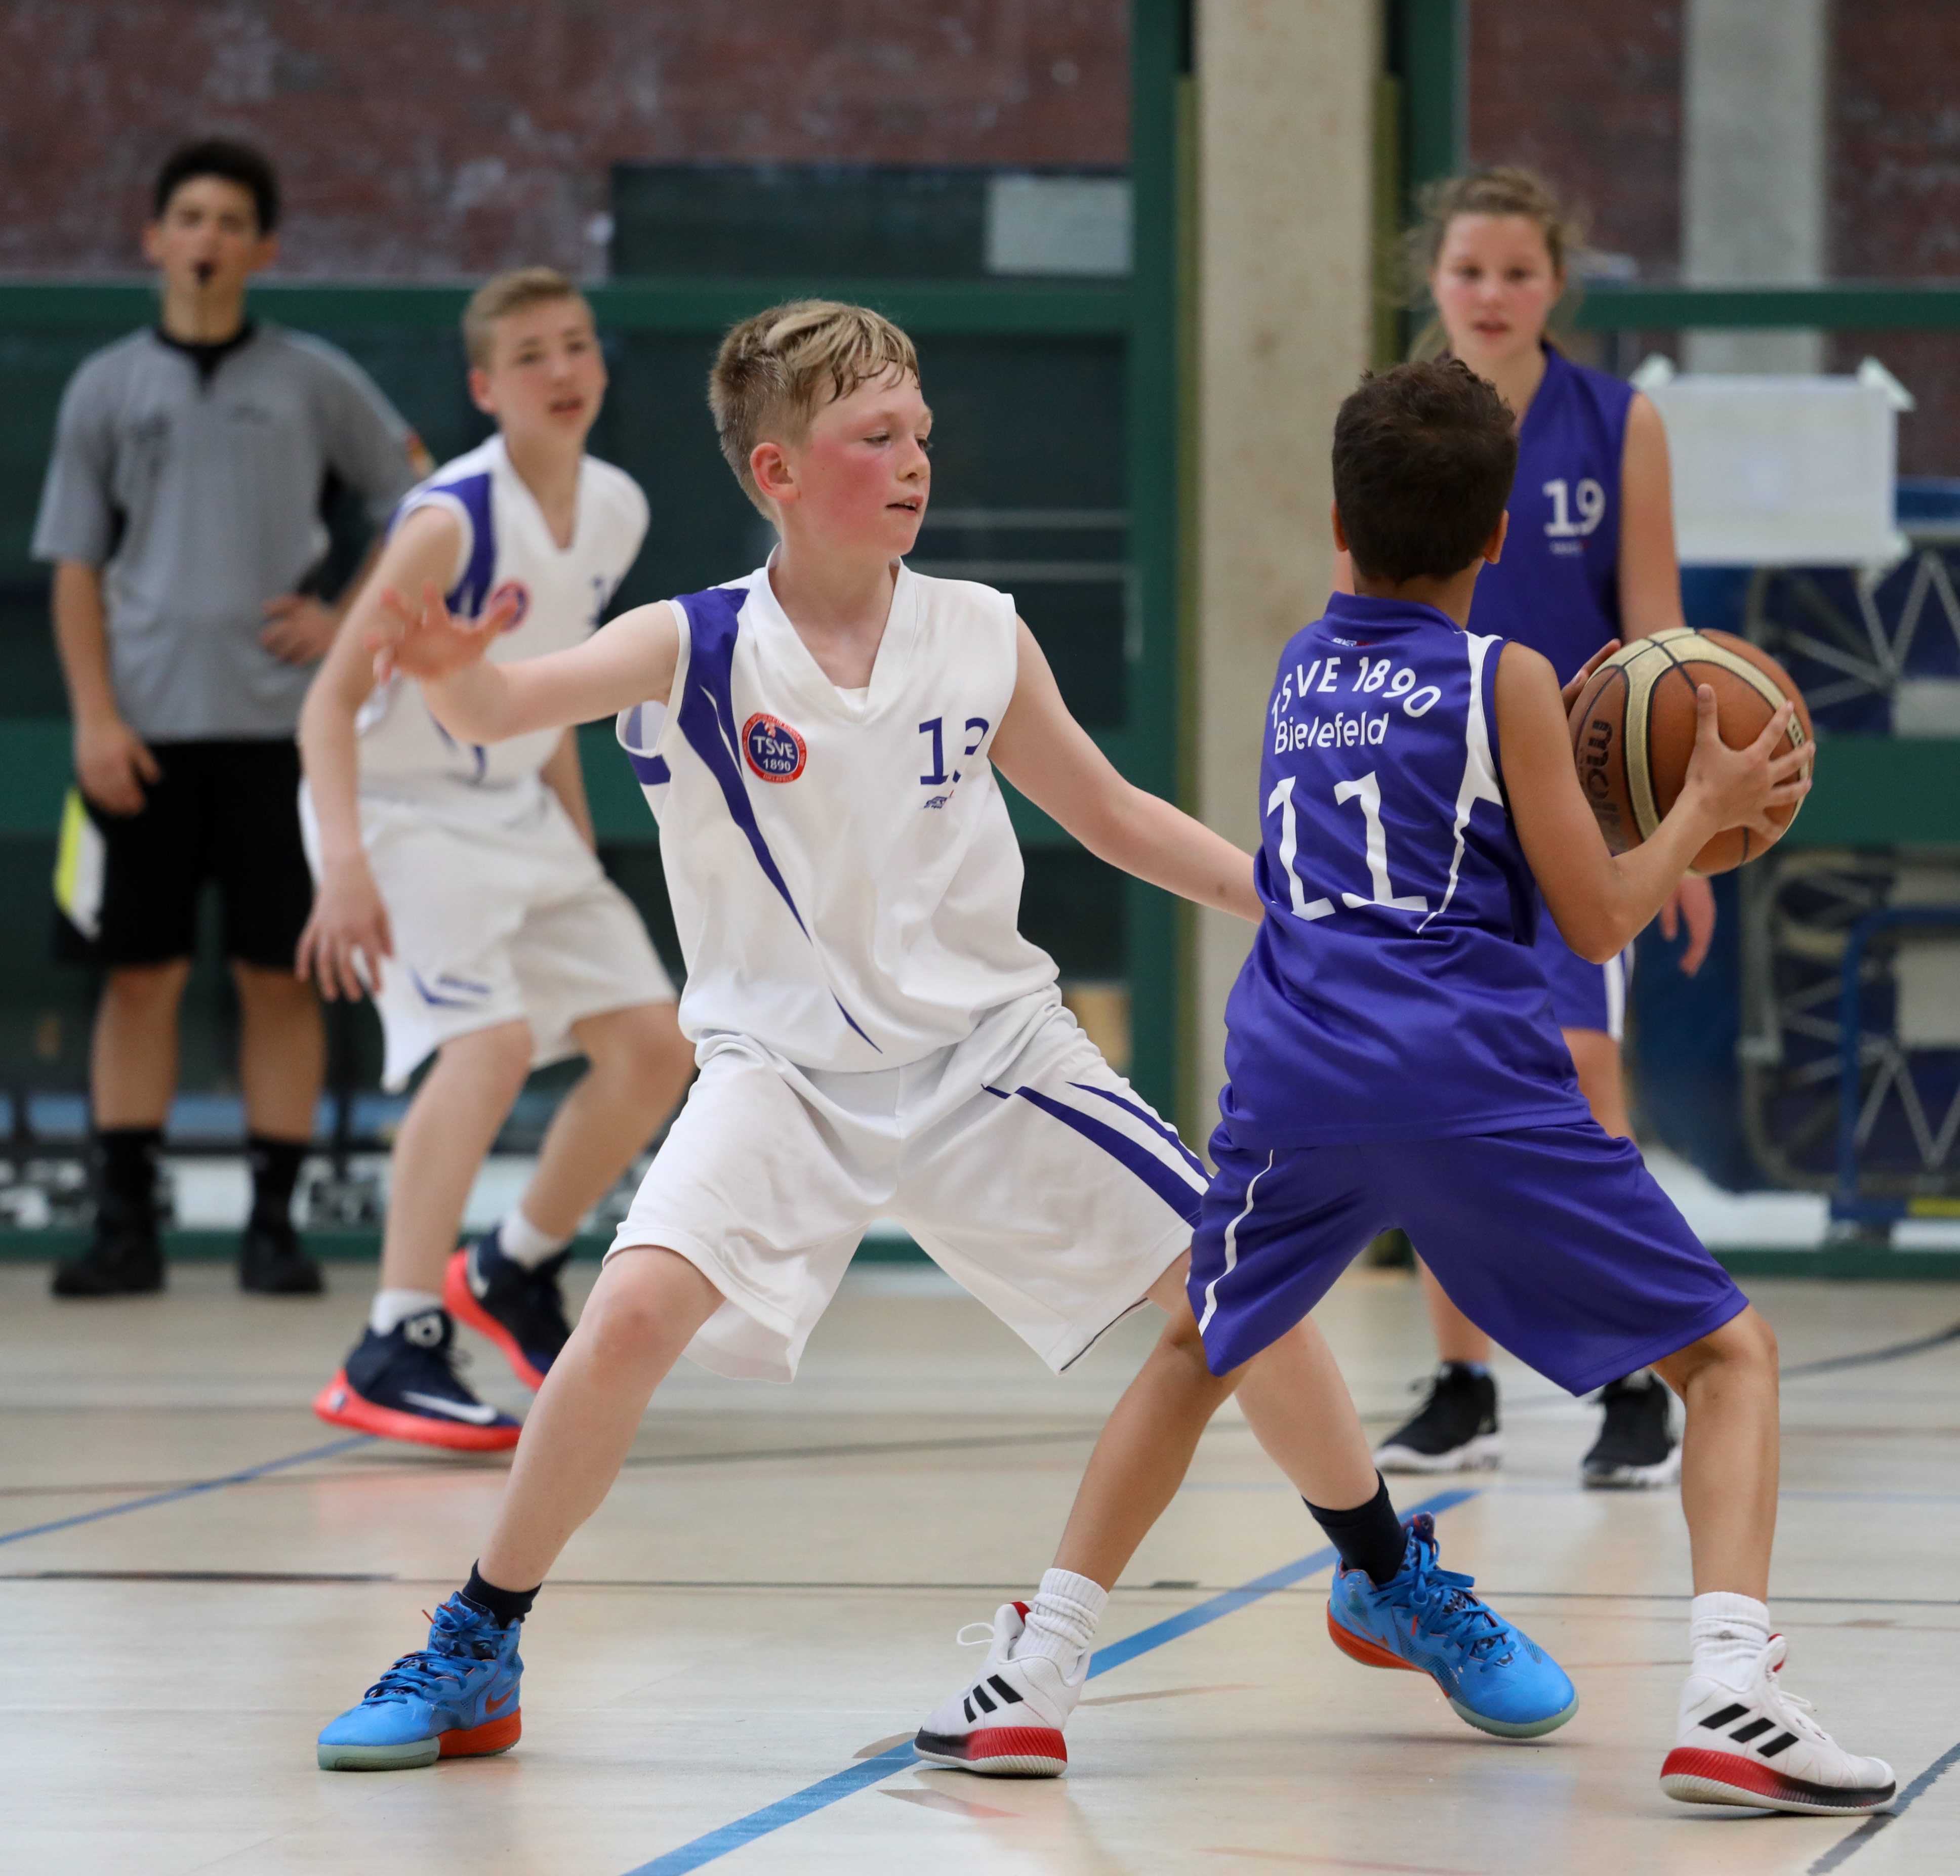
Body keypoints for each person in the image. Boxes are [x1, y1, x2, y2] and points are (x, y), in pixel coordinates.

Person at [313, 302, 1572, 1775]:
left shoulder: (978, 631)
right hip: (782, 1074)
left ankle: (1383, 1574)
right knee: (631, 1315)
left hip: (992, 1056)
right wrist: (451, 670)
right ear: (778, 471)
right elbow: (503, 703)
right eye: (876, 438)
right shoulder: (694, 642)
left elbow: (1110, 813)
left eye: (920, 432)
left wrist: (1285, 899)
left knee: (1239, 1288)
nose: (916, 460)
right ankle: (477, 1644)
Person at [1191, 358, 1892, 1815]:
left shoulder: (1304, 665)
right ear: (1504, 534)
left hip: (1297, 1070)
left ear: (1338, 524)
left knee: (1199, 1346)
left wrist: (1561, 785)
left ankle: (1044, 1656)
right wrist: (1696, 809)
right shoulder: (1500, 673)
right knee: (1734, 1359)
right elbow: (1596, 918)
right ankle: (1733, 1689)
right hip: (1465, 1082)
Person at [299, 269, 696, 1451]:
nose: (562, 370)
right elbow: (327, 704)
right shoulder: (448, 522)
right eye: (531, 356)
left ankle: (512, 1266)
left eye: (576, 345)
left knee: (655, 1043)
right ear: (485, 388)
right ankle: (392, 1339)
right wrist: (343, 865)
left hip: (513, 805)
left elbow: (548, 690)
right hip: (400, 810)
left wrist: (574, 840)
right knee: (491, 1044)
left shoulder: (617, 507)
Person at [1361, 165, 1716, 1488]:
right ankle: (1465, 1385)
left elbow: (1657, 632)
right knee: (1434, 1090)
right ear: (1432, 279)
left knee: (1579, 1077)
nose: (1493, 293)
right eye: (1469, 270)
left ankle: (1633, 1377)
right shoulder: (1396, 422)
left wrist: (1680, 829)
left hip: (1573, 797)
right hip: (1426, 802)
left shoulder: (1617, 421)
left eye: (1518, 271)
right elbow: (1359, 613)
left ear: (1557, 282)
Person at [32, 138, 425, 1300]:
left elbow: (418, 501)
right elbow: (72, 565)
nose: (208, 237)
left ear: (264, 247)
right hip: (139, 741)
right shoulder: (105, 387)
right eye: (190, 217)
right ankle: (124, 1227)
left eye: (231, 221)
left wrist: (343, 618)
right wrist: (94, 718)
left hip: (284, 741)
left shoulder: (312, 379)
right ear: (156, 239)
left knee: (278, 978)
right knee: (136, 979)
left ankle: (272, 1227)